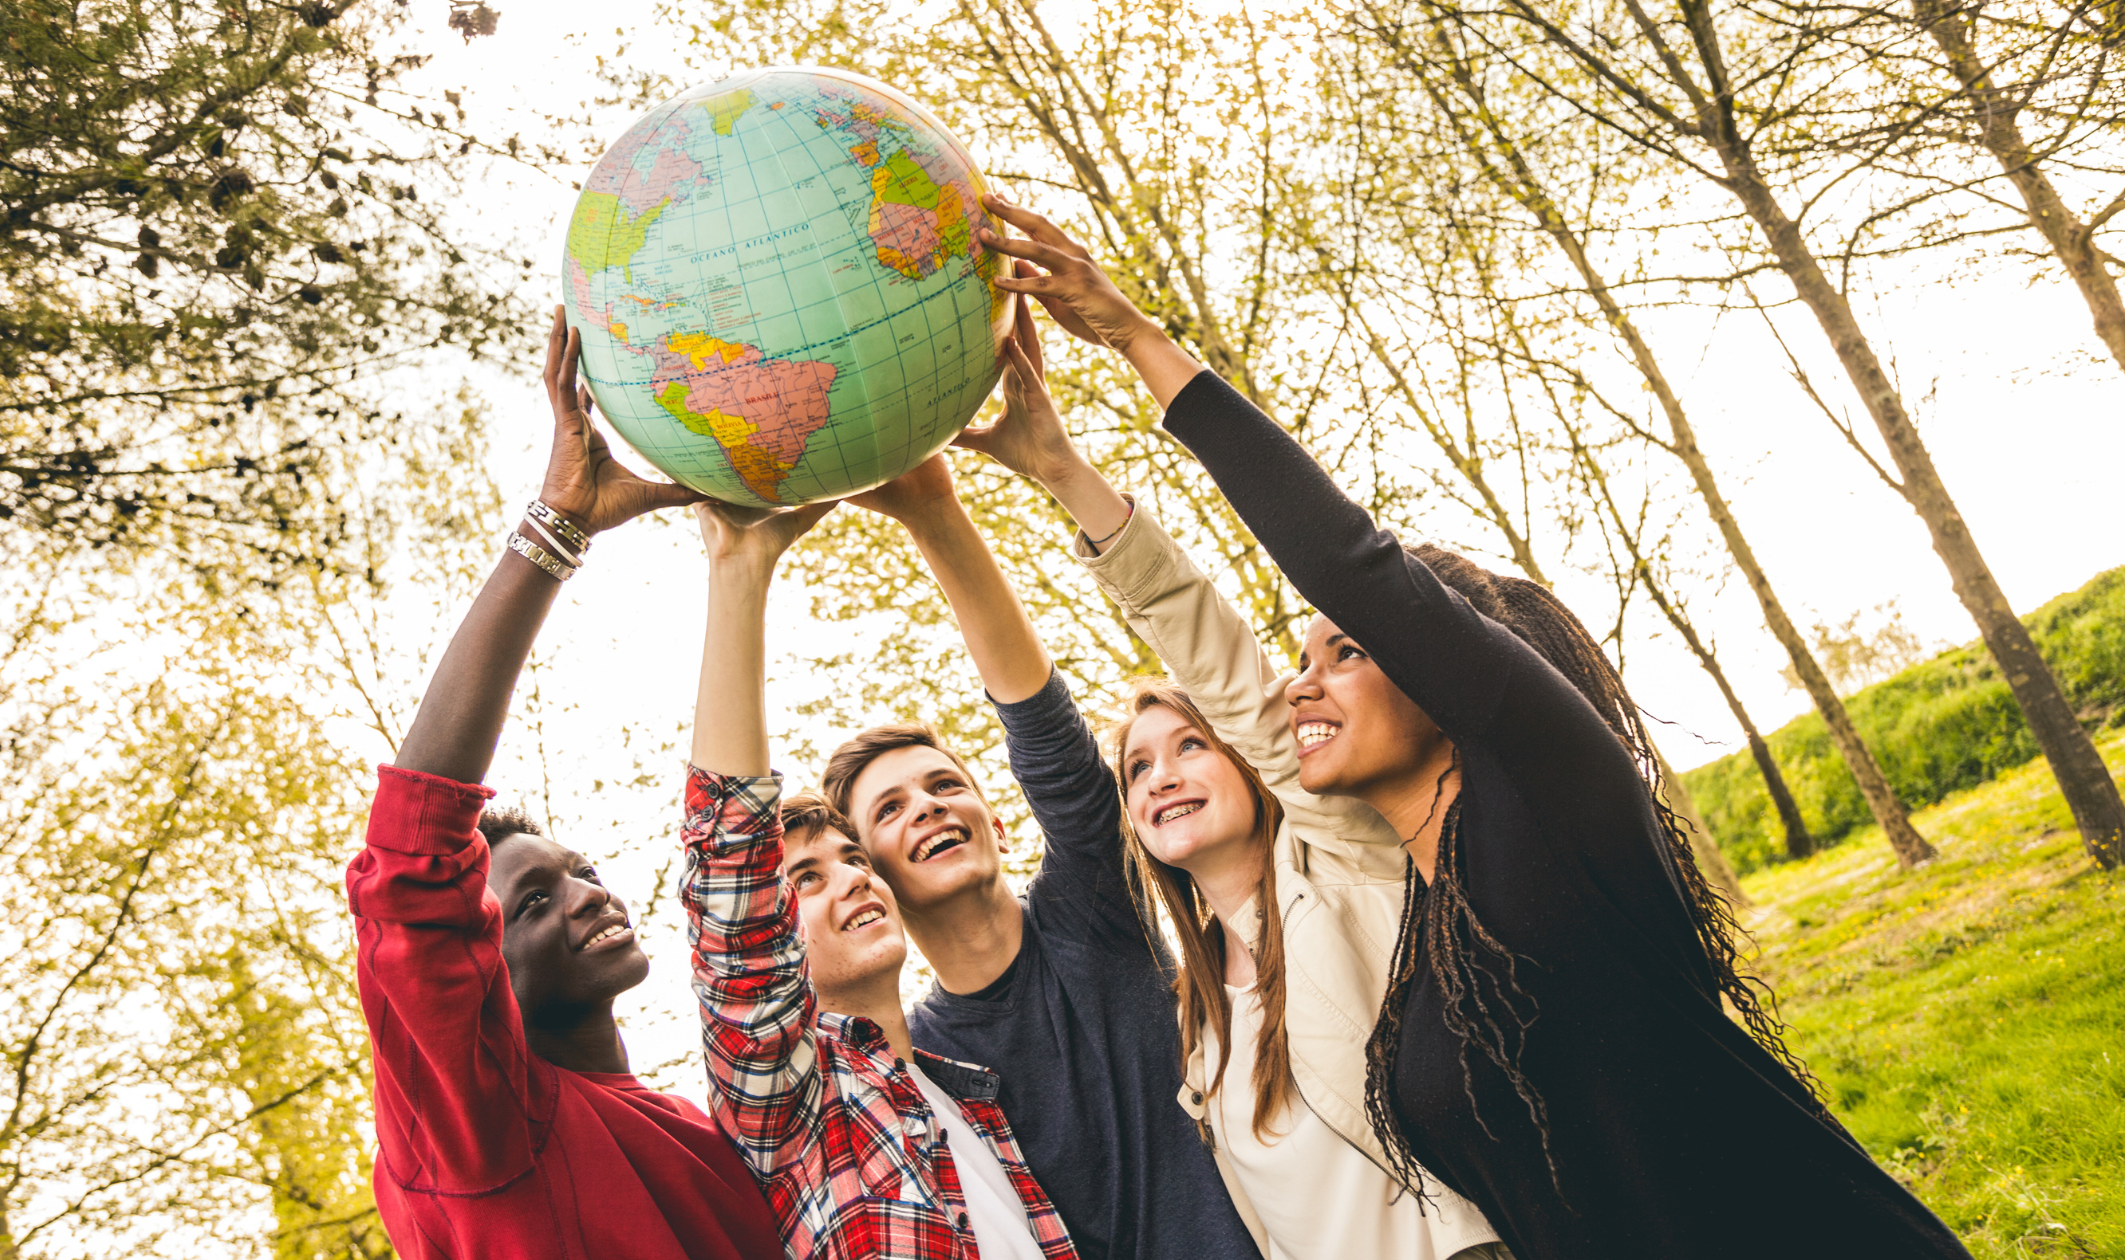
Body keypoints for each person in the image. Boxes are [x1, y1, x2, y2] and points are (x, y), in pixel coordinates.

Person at [972, 196, 1976, 1260]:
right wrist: (1062, 476)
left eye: (1344, 652)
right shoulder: (1415, 925)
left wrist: (1133, 336)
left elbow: (1347, 560)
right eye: (1301, 663)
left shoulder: (1558, 807)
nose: (1297, 689)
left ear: (1442, 668)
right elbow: (1225, 678)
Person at [935, 293, 1503, 1260]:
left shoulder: (1343, 865)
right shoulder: (1196, 1018)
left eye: (1191, 746)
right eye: (1137, 769)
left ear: (1248, 757)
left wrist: (1064, 474)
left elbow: (1221, 664)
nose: (1160, 777)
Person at [345, 308, 781, 1260]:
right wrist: (558, 526)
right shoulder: (474, 1135)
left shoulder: (704, 1131)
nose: (588, 895)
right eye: (534, 901)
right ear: (476, 968)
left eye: (580, 871)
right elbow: (414, 853)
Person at [823, 445, 1264, 1260]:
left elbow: (1047, 737)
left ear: (993, 819)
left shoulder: (1090, 907)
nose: (928, 807)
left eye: (944, 785)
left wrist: (935, 513)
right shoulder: (921, 1064)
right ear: (871, 874)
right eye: (891, 809)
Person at [677, 490, 1079, 1260]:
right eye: (807, 880)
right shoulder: (794, 1105)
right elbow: (732, 877)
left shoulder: (973, 1101)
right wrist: (739, 571)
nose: (853, 880)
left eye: (855, 860)